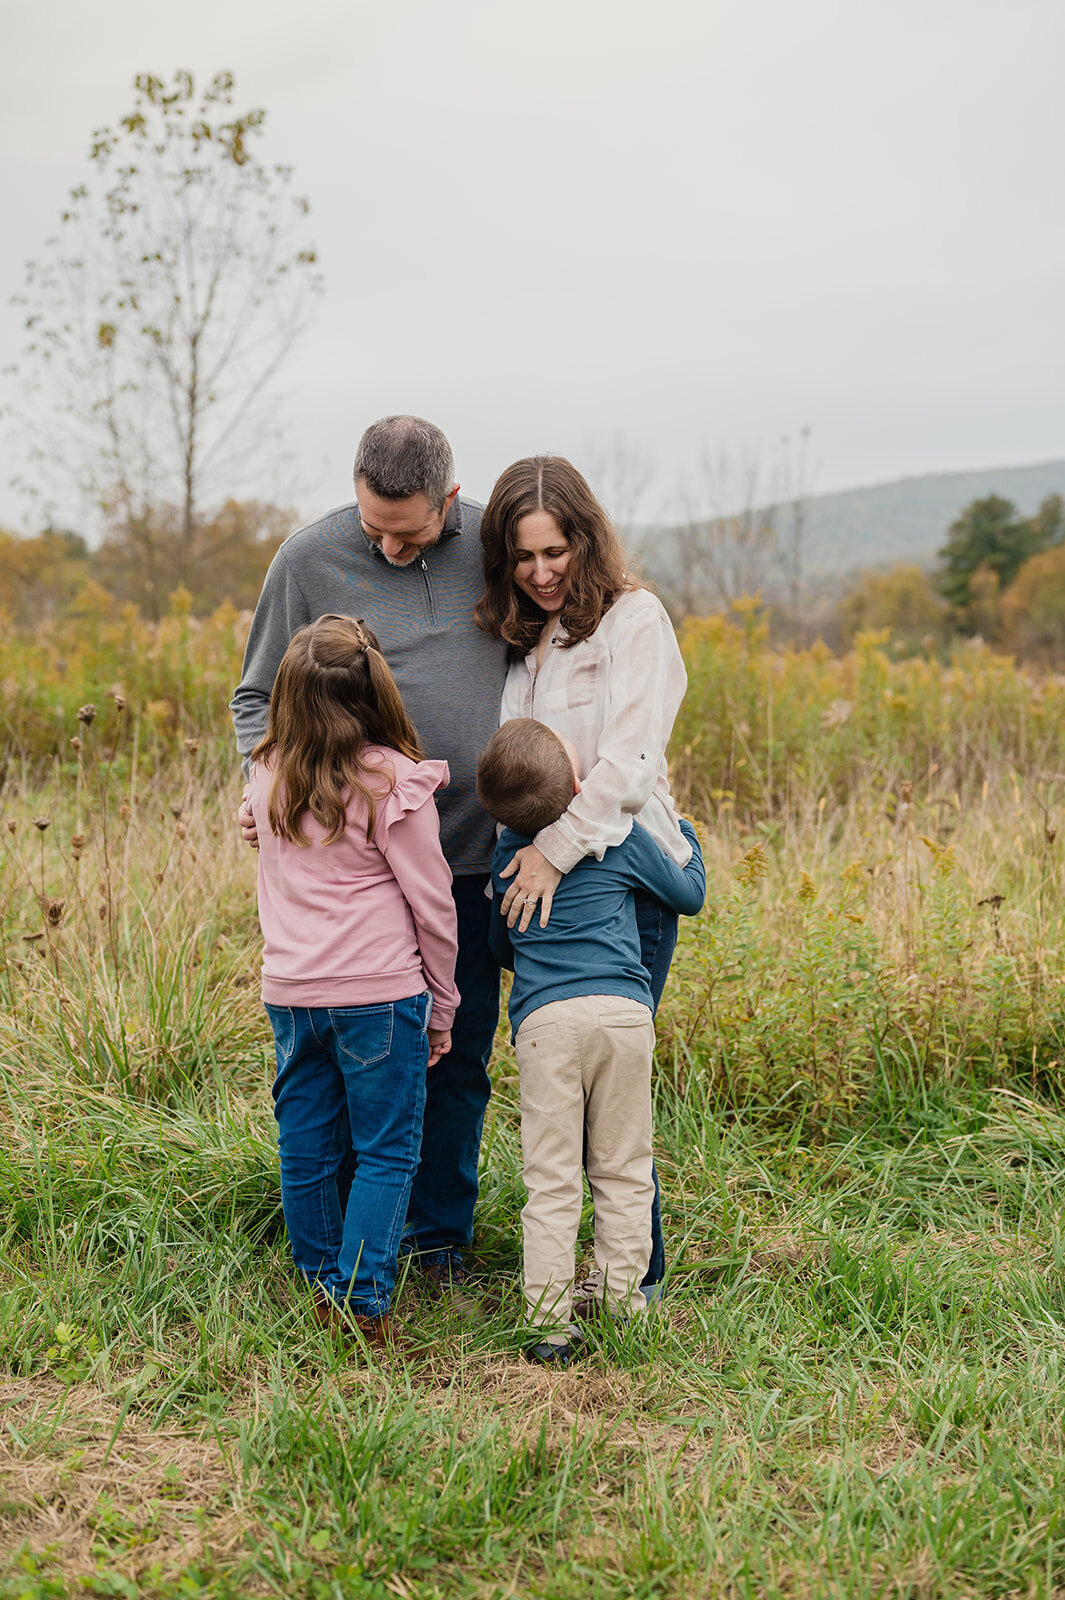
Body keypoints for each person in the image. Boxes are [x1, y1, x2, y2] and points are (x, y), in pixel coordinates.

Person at [232, 417, 507, 1301]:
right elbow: (256, 695)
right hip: (355, 873)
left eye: (409, 533)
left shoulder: (496, 547)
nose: (387, 546)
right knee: (359, 1086)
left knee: (455, 1063)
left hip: (471, 854)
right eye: (372, 526)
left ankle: (438, 1244)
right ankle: (353, 1261)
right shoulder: (307, 558)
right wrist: (268, 793)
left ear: (448, 501)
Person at [474, 456, 693, 1293]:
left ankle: (634, 1280)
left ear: (586, 540)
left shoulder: (633, 620)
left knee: (617, 1097)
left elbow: (627, 764)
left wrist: (552, 851)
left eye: (554, 552)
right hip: (537, 881)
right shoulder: (524, 645)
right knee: (579, 1094)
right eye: (523, 557)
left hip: (621, 872)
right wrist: (515, 861)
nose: (540, 573)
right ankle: (586, 1276)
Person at [247, 615, 461, 1346]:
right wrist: (444, 1004)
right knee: (386, 1150)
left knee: (305, 1148)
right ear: (376, 691)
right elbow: (434, 906)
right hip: (379, 995)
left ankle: (320, 1289)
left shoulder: (267, 773)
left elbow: (257, 820)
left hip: (292, 994)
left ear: (287, 696)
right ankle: (361, 1303)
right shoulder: (392, 783)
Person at [477, 718, 705, 1362]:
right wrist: (684, 834)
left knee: (551, 1179)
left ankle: (548, 1328)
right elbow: (689, 896)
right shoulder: (621, 838)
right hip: (622, 1016)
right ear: (580, 785)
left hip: (546, 1027)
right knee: (624, 1169)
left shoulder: (509, 860)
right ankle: (622, 1309)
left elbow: (500, 946)